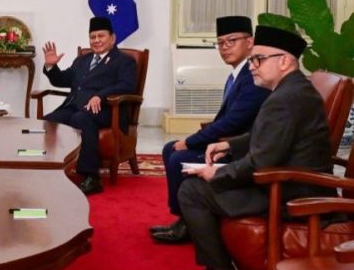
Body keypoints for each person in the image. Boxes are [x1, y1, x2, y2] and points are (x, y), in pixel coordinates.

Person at [177, 25, 334, 270]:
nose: (251, 66)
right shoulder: (292, 89)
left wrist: (217, 173)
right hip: (287, 182)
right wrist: (231, 145)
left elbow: (261, 162)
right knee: (199, 184)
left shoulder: (285, 99)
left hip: (288, 192)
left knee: (192, 190)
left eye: (258, 59)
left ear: (284, 61)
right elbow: (270, 136)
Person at [151, 16, 269, 244]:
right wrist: (197, 139)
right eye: (220, 43)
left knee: (178, 157)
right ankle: (184, 219)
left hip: (241, 150)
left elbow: (232, 123)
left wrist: (191, 141)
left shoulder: (253, 77)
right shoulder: (237, 74)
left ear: (250, 42)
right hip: (229, 140)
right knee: (169, 149)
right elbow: (223, 120)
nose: (224, 48)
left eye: (231, 41)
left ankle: (189, 224)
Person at [41, 16, 138, 195]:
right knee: (48, 121)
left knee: (81, 118)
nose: (96, 41)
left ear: (112, 38)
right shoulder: (82, 61)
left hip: (107, 110)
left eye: (101, 36)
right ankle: (48, 169)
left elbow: (127, 85)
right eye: (92, 37)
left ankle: (91, 177)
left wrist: (100, 96)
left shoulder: (124, 61)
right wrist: (50, 66)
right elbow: (62, 80)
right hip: (75, 106)